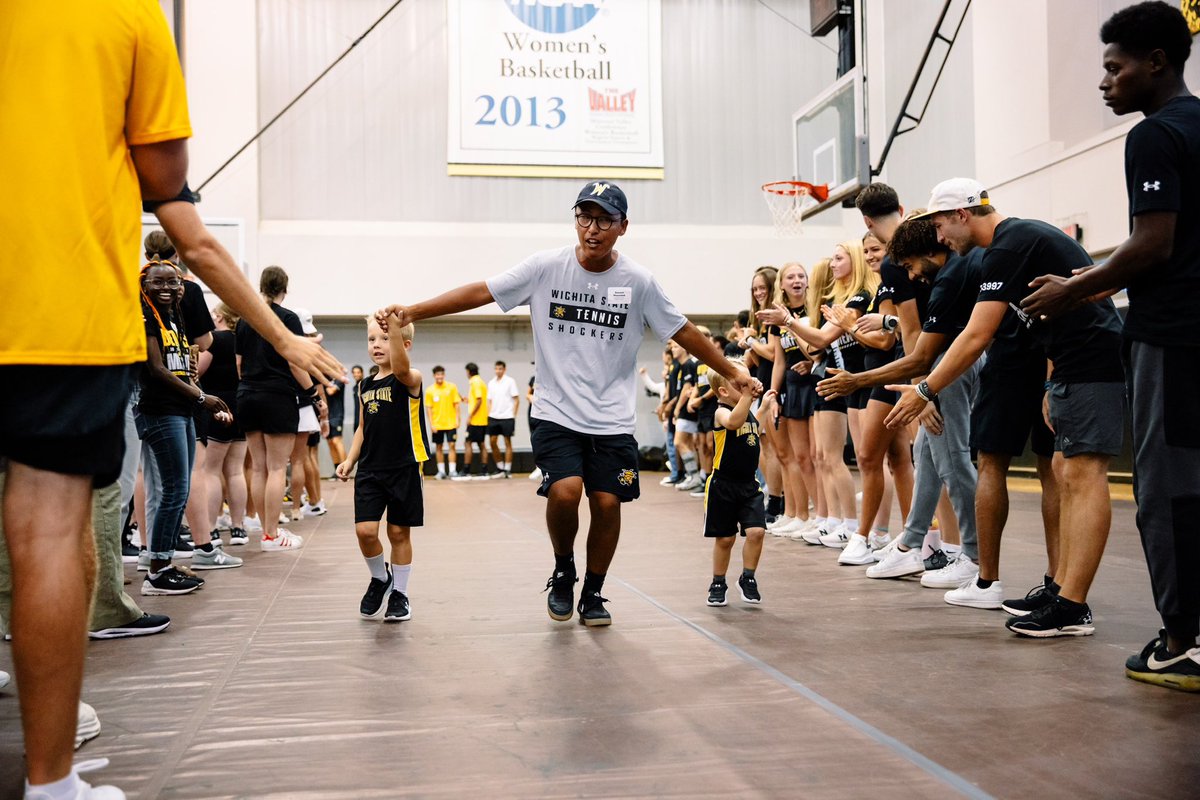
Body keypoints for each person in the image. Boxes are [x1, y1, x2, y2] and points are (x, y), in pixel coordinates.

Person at [375, 180, 756, 627]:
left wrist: (730, 370)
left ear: (623, 227)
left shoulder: (639, 282)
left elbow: (683, 331)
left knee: (608, 503)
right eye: (584, 217)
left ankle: (593, 590)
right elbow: (483, 291)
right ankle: (563, 568)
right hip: (556, 410)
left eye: (604, 220)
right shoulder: (546, 268)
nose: (591, 229)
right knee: (565, 490)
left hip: (612, 417)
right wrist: (415, 312)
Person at [1022, 1, 1200, 684]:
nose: (1104, 82)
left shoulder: (1155, 136)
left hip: (1173, 336)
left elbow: (1155, 243)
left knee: (1169, 490)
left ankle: (1182, 639)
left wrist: (1074, 287)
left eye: (1113, 68)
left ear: (1155, 63)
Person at [886, 179, 1126, 638]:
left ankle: (1072, 606)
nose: (938, 238)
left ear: (962, 214)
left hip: (1091, 361)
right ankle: (1062, 592)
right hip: (1072, 361)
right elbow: (1051, 317)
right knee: (1064, 470)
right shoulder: (1015, 243)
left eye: (939, 225)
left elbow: (976, 337)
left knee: (1081, 476)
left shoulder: (1008, 244)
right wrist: (1051, 381)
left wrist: (924, 390)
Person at [818, 215, 984, 594]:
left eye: (907, 266)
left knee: (952, 457)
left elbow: (920, 356)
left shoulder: (951, 277)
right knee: (925, 450)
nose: (908, 277)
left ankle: (974, 559)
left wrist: (912, 390)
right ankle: (912, 541)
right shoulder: (945, 276)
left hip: (951, 367)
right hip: (947, 363)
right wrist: (890, 325)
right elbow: (921, 330)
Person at [137, 260, 237, 591]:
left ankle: (163, 563)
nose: (166, 288)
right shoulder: (148, 317)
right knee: (174, 490)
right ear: (145, 285)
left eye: (173, 283)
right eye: (158, 283)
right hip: (160, 410)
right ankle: (157, 570)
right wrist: (200, 397)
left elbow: (179, 366)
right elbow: (155, 369)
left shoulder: (175, 317)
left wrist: (195, 388)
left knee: (177, 491)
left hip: (180, 409)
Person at [336, 316, 429, 622]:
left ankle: (400, 594)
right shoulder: (364, 384)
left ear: (405, 345)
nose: (376, 344)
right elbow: (363, 427)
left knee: (398, 532)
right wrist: (350, 460)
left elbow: (402, 368)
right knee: (365, 531)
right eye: (372, 339)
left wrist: (395, 323)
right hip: (370, 470)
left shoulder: (409, 378)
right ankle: (380, 578)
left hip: (403, 467)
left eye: (384, 338)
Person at [704, 363, 767, 607]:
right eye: (739, 383)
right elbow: (733, 423)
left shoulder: (747, 408)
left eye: (747, 380)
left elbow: (753, 430)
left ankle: (748, 577)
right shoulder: (721, 412)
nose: (746, 385)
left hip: (748, 485)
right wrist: (749, 397)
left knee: (757, 532)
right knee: (725, 539)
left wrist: (765, 406)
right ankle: (718, 581)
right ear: (723, 392)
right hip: (723, 485)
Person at [198, 303, 251, 547]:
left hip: (217, 405)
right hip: (240, 404)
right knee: (236, 470)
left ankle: (210, 528)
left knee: (211, 470)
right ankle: (238, 527)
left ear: (219, 316)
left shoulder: (215, 341)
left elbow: (197, 370)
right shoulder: (242, 341)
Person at [425, 366, 463, 479]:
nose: (439, 377)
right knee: (439, 447)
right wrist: (431, 424)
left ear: (444, 375)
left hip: (451, 423)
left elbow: (457, 404)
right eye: (437, 375)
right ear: (434, 376)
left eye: (441, 374)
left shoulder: (452, 387)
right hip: (437, 424)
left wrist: (457, 419)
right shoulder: (430, 390)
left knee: (452, 445)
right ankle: (441, 471)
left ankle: (452, 471)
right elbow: (429, 408)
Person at [455, 363, 489, 480]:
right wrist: (467, 400)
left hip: (476, 420)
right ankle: (484, 470)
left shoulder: (475, 382)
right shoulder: (481, 382)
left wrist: (470, 416)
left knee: (468, 443)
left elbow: (479, 401)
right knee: (481, 444)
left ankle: (466, 470)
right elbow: (477, 400)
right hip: (482, 419)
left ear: (469, 371)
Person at [486, 360, 520, 478]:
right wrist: (489, 413)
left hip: (507, 417)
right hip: (493, 417)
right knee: (492, 442)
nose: (498, 371)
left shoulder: (510, 381)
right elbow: (489, 400)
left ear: (504, 369)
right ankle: (500, 467)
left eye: (500, 369)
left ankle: (507, 469)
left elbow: (516, 399)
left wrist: (513, 415)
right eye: (496, 369)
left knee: (507, 442)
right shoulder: (491, 383)